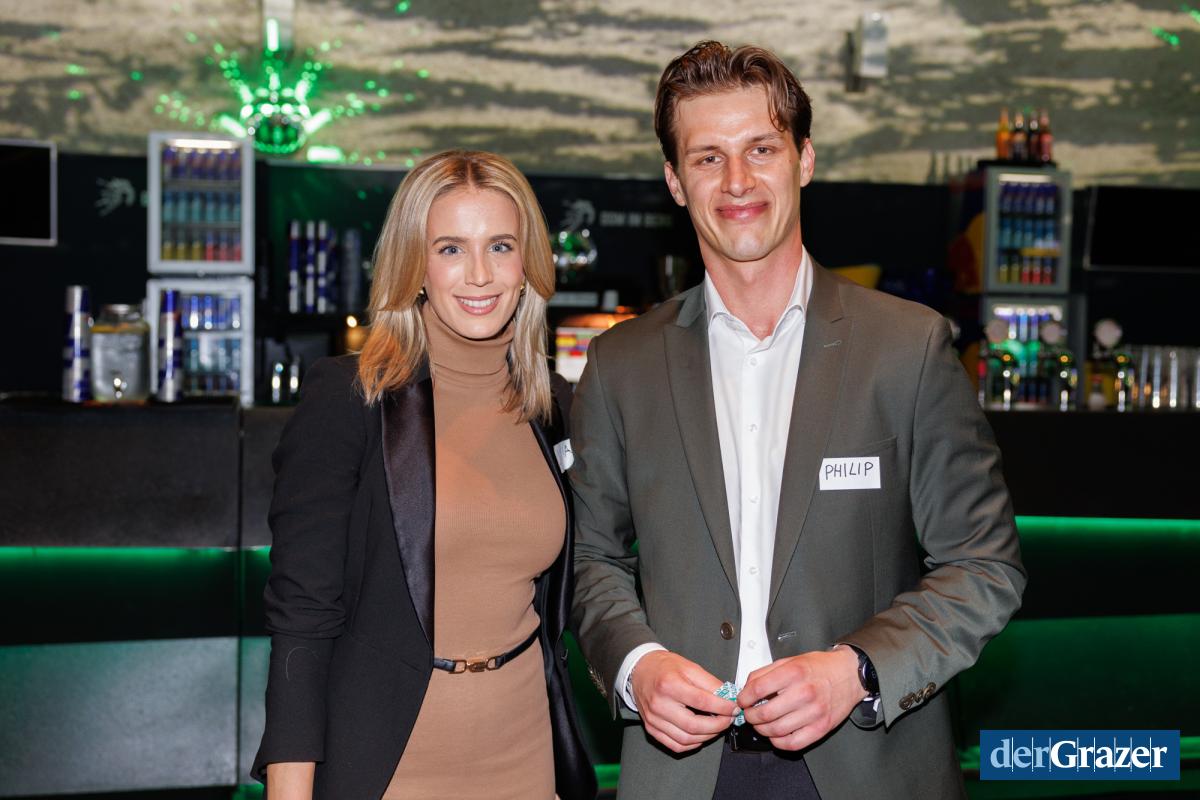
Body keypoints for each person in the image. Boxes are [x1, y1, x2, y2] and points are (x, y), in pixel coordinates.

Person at [569, 41, 1026, 800]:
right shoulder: (621, 364)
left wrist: (857, 669)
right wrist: (635, 666)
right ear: (675, 182)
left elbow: (984, 566)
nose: (737, 181)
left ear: (804, 160)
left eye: (761, 149)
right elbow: (591, 560)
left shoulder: (906, 348)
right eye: (708, 158)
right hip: (684, 772)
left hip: (869, 766)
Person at [252, 149, 596, 800]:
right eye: (450, 249)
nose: (479, 274)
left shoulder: (554, 407)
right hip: (389, 766)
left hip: (526, 757)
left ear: (528, 263)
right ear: (414, 265)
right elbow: (302, 617)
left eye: (500, 246)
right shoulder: (350, 398)